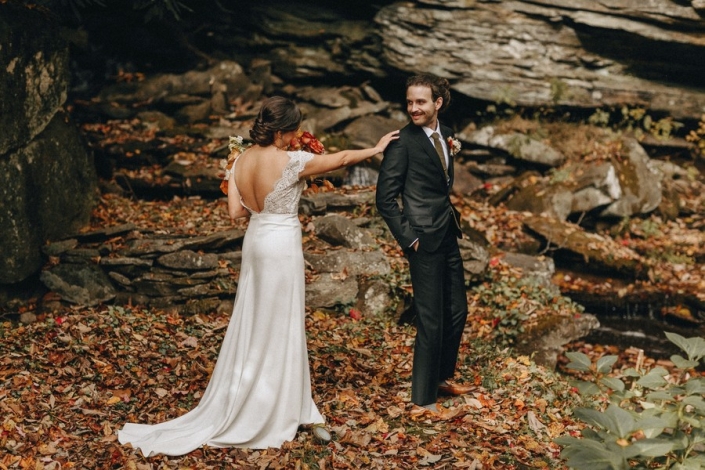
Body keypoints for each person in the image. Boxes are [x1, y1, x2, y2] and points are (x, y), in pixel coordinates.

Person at [118, 96, 399, 456]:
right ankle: (274, 406)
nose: (296, 137)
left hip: (255, 241)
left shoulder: (239, 160)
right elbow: (341, 159)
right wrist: (375, 147)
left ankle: (273, 396)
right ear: (283, 132)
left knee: (255, 319)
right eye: (294, 131)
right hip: (281, 243)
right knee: (281, 321)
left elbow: (236, 212)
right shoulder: (291, 161)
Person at [375, 73, 472, 417]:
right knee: (430, 319)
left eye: (420, 102)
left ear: (438, 104)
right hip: (421, 239)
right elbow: (385, 200)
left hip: (446, 232)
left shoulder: (445, 135)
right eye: (410, 102)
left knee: (458, 309)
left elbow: (441, 185)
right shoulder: (402, 143)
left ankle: (442, 378)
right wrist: (409, 238)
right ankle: (423, 400)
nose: (413, 108)